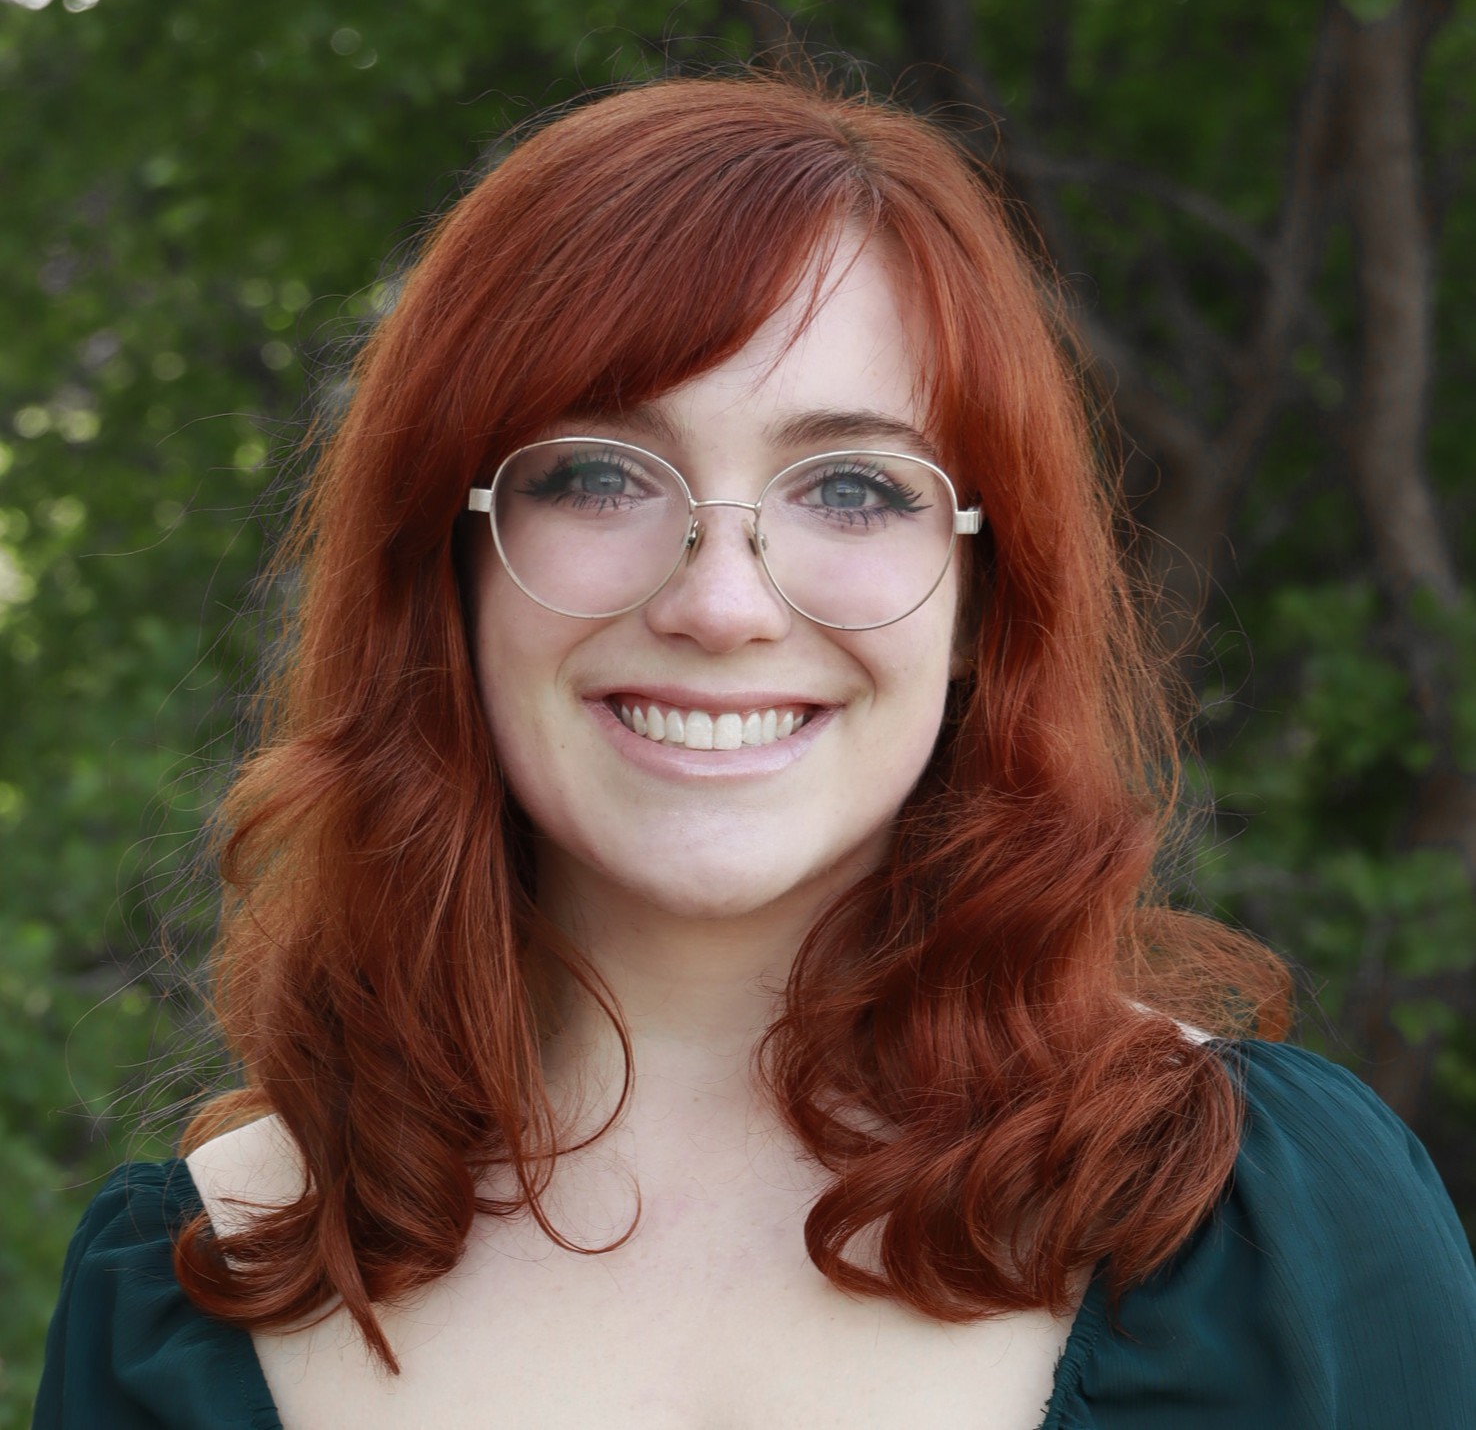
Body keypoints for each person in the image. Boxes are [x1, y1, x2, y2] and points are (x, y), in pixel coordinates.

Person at [35, 71, 1476, 1430]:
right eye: (597, 475)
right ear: (448, 570)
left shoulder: (1273, 1222)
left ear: (981, 600)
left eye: (851, 488)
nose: (720, 604)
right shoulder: (191, 1289)